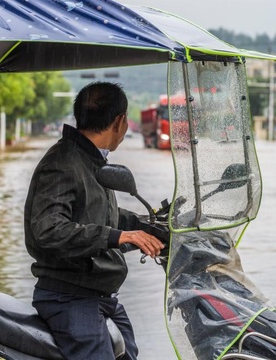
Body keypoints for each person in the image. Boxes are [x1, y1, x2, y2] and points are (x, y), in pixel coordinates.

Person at [24, 82, 165, 360]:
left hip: (99, 296)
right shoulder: (64, 162)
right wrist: (119, 237)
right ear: (120, 121)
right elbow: (49, 229)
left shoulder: (90, 160)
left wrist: (153, 228)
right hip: (70, 299)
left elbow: (102, 216)